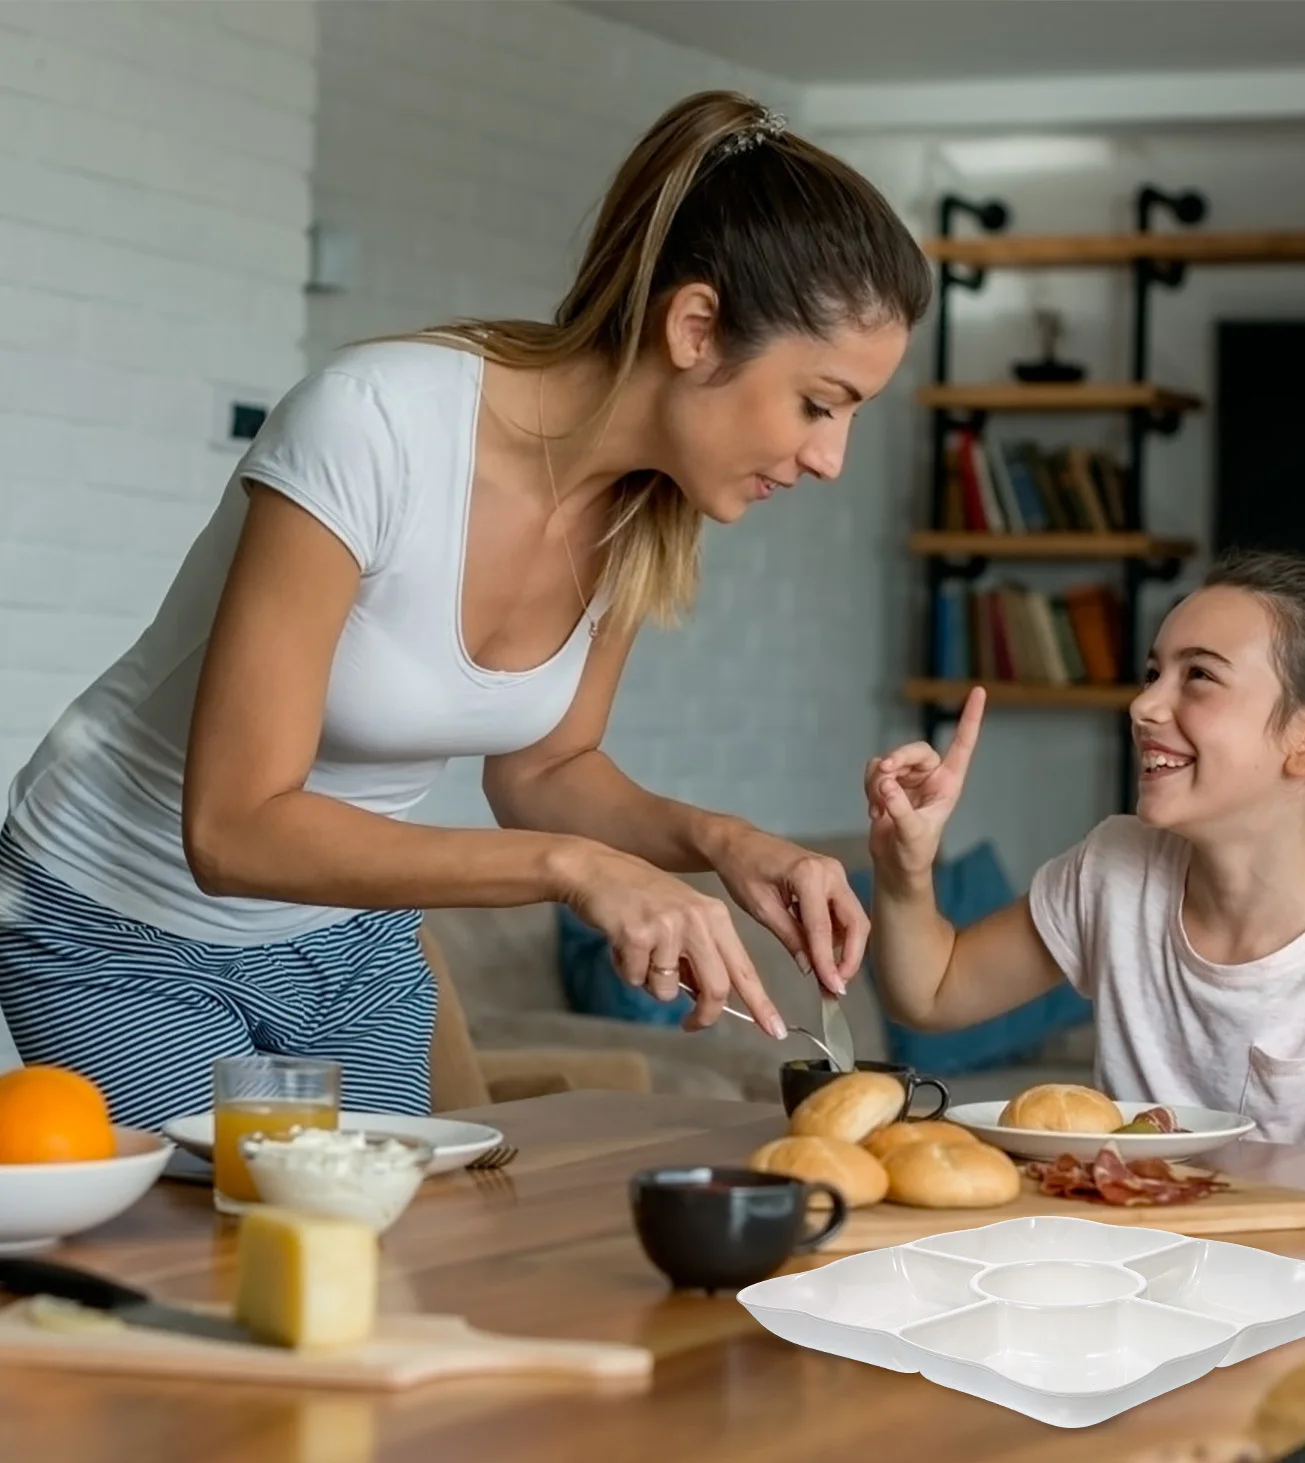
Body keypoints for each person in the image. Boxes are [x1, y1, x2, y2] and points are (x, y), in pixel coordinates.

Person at [0, 91, 932, 1129]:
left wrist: (724, 840)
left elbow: (544, 771)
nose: (830, 458)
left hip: (348, 935)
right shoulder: (375, 426)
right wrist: (580, 871)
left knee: (412, 1248)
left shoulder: (646, 512)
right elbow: (232, 825)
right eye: (819, 403)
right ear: (696, 325)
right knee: (236, 1250)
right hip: (118, 923)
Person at [862, 547, 1305, 1463]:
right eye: (1154, 667)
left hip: (1294, 1390)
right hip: (1094, 1341)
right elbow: (932, 990)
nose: (1145, 702)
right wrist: (904, 868)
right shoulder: (1117, 869)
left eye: (1197, 676)